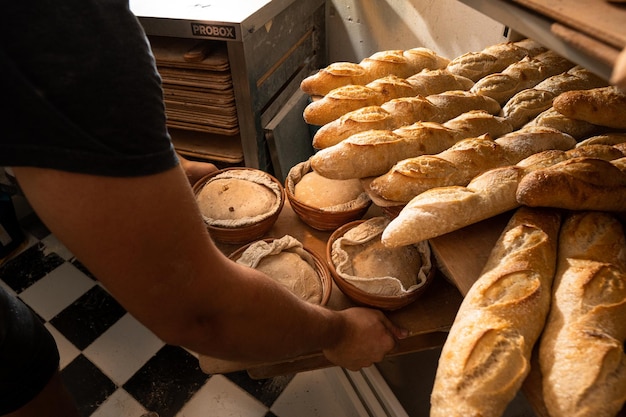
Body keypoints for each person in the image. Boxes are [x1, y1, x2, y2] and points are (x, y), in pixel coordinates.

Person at [0, 0, 407, 415]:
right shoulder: (58, 20)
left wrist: (166, 169)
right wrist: (338, 334)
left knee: (28, 360)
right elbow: (199, 313)